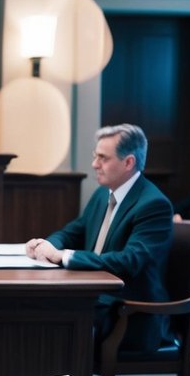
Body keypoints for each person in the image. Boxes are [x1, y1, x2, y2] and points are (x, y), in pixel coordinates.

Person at [26, 123, 173, 353]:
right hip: (96, 301)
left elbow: (129, 261)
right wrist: (46, 245)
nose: (95, 164)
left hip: (128, 314)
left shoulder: (154, 205)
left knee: (44, 317)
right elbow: (73, 231)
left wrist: (63, 256)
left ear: (128, 162)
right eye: (96, 156)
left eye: (103, 158)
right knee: (32, 305)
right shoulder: (102, 193)